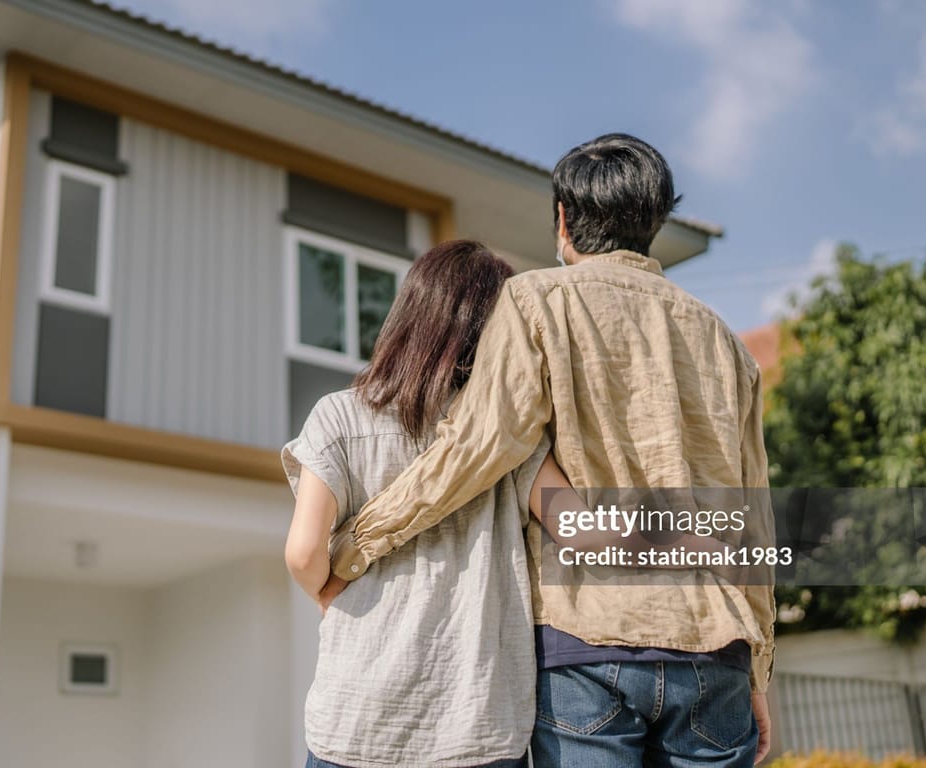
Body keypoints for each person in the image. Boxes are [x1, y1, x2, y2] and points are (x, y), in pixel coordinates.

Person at [325, 133, 776, 767]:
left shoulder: (535, 301)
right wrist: (758, 668)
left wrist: (359, 541)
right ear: (654, 221)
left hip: (586, 646)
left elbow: (479, 447)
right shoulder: (725, 341)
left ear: (563, 219)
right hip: (715, 646)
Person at [283, 239, 565, 768]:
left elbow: (302, 554)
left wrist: (327, 593)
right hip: (478, 727)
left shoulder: (338, 417)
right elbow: (578, 526)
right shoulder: (507, 435)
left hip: (357, 725)